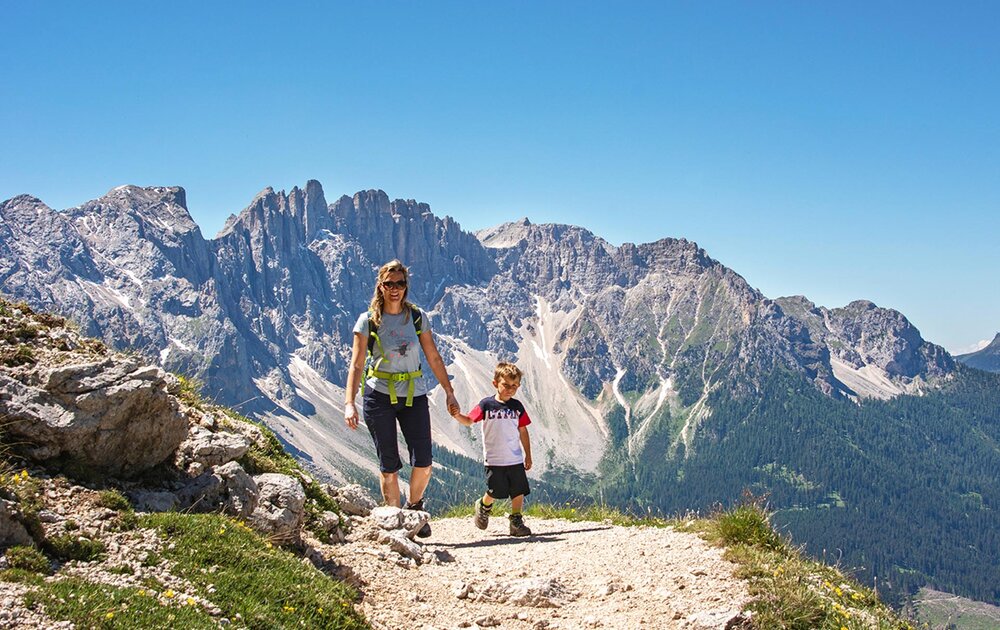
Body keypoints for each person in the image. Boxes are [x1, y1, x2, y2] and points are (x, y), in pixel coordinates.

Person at [344, 260, 459, 537]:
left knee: (424, 462)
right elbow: (357, 364)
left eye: (400, 284)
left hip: (413, 394)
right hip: (378, 396)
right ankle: (396, 528)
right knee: (389, 466)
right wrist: (349, 403)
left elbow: (433, 356)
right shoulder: (368, 320)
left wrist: (449, 391)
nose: (395, 289)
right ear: (380, 286)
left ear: (406, 286)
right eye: (389, 284)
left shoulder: (417, 316)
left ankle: (414, 507)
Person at [450, 361, 533, 537]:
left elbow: (523, 430)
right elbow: (469, 421)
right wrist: (457, 415)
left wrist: (528, 455)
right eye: (506, 385)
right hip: (495, 459)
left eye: (514, 386)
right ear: (495, 383)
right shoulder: (486, 405)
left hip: (515, 458)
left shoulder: (517, 407)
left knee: (519, 490)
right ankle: (483, 505)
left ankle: (516, 521)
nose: (510, 389)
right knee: (495, 491)